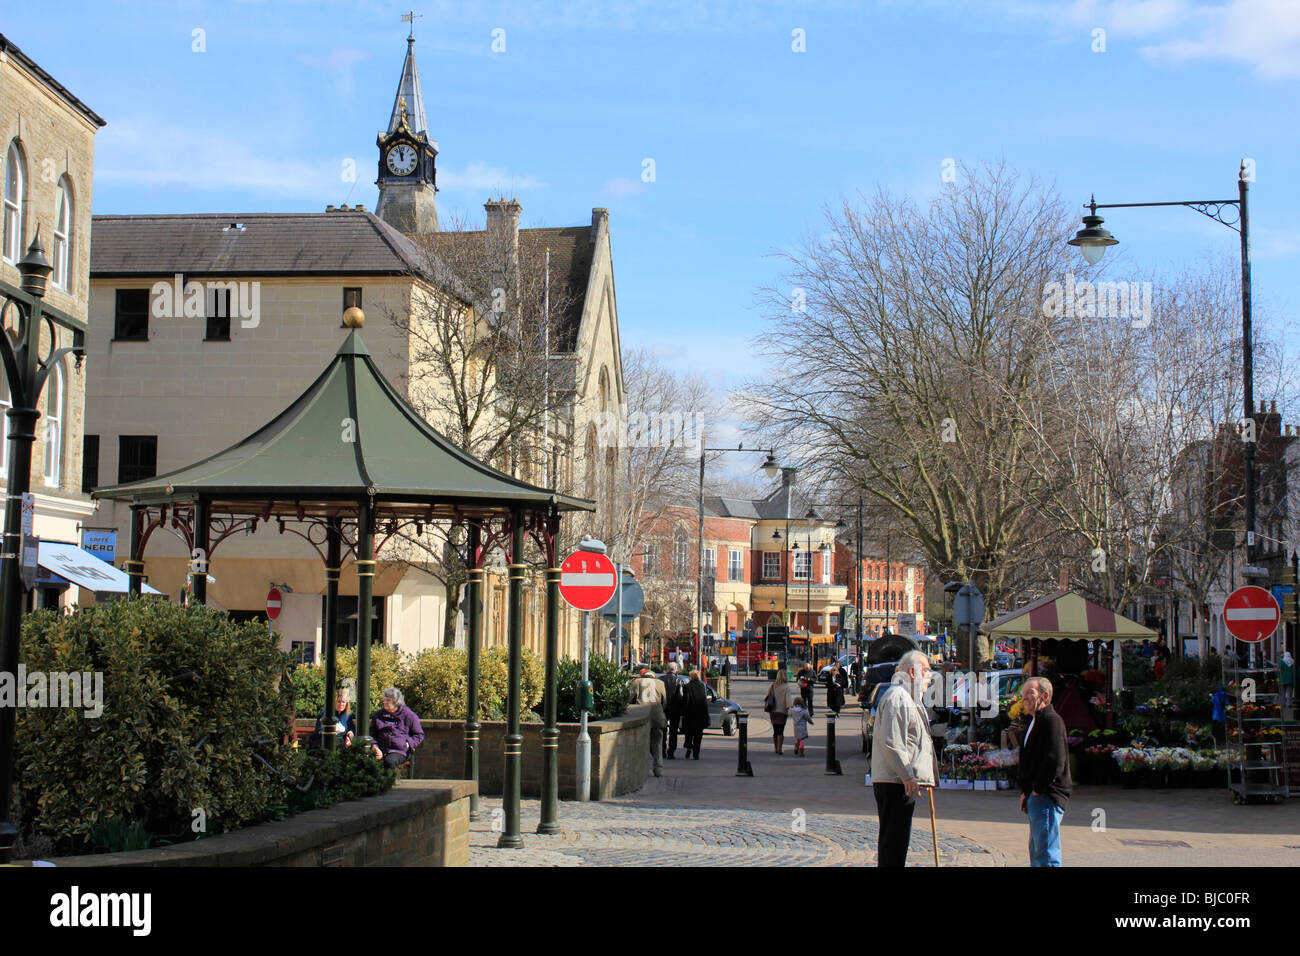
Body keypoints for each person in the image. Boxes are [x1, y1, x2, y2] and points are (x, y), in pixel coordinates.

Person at [870, 651, 935, 867]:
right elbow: (892, 742)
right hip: (895, 781)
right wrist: (907, 776)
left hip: (900, 780)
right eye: (926, 671)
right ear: (912, 672)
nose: (930, 676)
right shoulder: (898, 697)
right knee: (893, 842)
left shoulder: (909, 698)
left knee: (898, 841)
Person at [1017, 676, 1072, 867]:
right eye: (1023, 694)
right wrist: (1026, 792)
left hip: (1047, 796)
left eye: (1030, 693)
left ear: (1045, 695)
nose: (1025, 698)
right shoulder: (1034, 721)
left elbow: (1055, 760)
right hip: (1036, 796)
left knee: (1046, 853)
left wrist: (1037, 789)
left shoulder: (1051, 720)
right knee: (1037, 850)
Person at [369, 687, 424, 769]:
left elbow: (419, 735)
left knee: (389, 761)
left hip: (399, 751)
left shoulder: (409, 715)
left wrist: (407, 744)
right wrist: (375, 747)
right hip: (380, 749)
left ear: (396, 702)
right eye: (384, 700)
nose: (385, 702)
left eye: (388, 700)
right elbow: (372, 734)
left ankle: (389, 781)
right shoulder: (377, 715)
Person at [630, 668, 668, 777]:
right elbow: (664, 701)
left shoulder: (637, 682)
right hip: (657, 716)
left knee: (641, 743)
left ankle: (641, 769)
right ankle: (658, 768)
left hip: (641, 715)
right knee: (657, 743)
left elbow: (630, 698)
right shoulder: (660, 683)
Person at [763, 668, 800, 754]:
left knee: (775, 730)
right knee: (781, 730)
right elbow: (788, 700)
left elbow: (767, 696)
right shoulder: (786, 687)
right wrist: (790, 709)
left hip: (773, 711)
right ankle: (780, 748)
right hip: (782, 711)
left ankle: (776, 748)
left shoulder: (773, 685)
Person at [680, 669, 710, 759]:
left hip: (690, 714)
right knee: (698, 734)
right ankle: (696, 752)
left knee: (688, 733)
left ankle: (689, 746)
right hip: (700, 714)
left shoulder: (687, 686)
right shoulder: (702, 686)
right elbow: (704, 701)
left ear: (691, 677)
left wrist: (683, 711)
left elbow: (686, 700)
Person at [663, 661, 684, 758]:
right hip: (675, 709)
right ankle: (671, 751)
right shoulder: (678, 681)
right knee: (673, 731)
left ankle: (662, 750)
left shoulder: (661, 680)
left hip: (663, 708)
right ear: (676, 670)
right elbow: (680, 696)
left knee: (662, 730)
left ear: (667, 669)